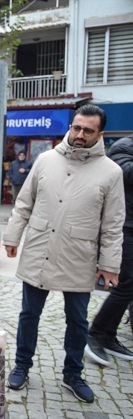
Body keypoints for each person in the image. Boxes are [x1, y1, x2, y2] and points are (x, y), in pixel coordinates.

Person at [3, 104, 125, 403]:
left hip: (79, 255)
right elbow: (24, 203)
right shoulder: (45, 160)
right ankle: (21, 366)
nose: (80, 134)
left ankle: (73, 374)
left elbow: (113, 224)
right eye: (76, 127)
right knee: (29, 314)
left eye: (87, 130)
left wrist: (109, 264)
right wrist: (12, 236)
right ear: (71, 126)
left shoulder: (111, 172)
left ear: (100, 134)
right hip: (40, 248)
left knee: (78, 319)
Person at [85, 133, 133, 366]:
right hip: (125, 227)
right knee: (125, 283)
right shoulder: (124, 147)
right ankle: (96, 333)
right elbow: (125, 174)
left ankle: (109, 334)